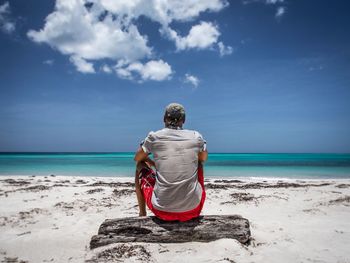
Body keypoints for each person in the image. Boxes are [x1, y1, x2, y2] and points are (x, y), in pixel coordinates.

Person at [134, 103, 208, 222]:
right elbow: (203, 158)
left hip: (162, 211)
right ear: (183, 120)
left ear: (164, 119)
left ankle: (142, 213)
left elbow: (137, 158)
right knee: (199, 163)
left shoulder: (154, 137)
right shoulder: (196, 137)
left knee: (139, 165)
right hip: (193, 209)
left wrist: (150, 161)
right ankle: (190, 197)